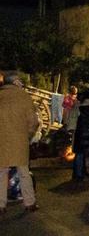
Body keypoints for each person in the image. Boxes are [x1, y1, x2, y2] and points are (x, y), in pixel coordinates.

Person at [0, 71, 39, 215]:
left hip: (1, 141)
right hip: (19, 140)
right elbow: (33, 121)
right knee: (23, 172)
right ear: (15, 81)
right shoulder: (24, 96)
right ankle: (29, 202)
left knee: (1, 172)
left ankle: (0, 204)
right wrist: (28, 135)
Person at [72, 91, 89, 181]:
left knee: (79, 154)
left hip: (81, 136)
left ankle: (79, 175)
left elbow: (75, 123)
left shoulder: (80, 109)